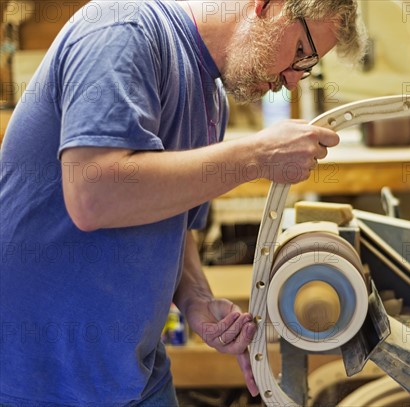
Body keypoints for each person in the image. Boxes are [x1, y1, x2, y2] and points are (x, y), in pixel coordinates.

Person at [0, 0, 367, 405]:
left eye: (307, 68)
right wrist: (255, 156)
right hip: (35, 378)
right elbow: (94, 196)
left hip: (132, 372)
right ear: (271, 6)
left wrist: (197, 299)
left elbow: (171, 218)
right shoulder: (124, 30)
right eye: (300, 51)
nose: (293, 80)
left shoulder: (212, 100)